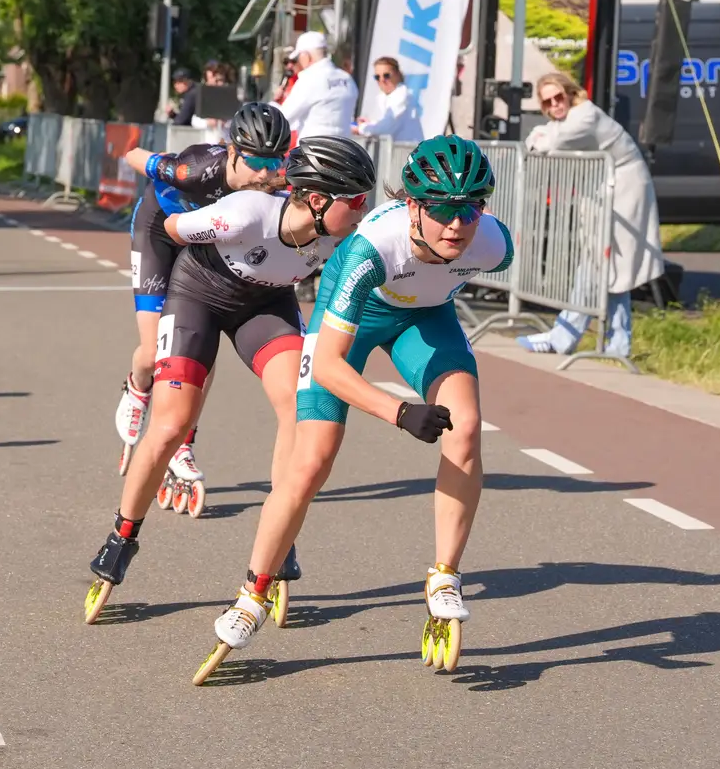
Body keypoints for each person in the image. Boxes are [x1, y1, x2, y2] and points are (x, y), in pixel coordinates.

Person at [192, 135, 513, 685]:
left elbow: (463, 253)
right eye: (442, 209)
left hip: (425, 320)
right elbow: (329, 367)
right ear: (413, 206)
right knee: (311, 462)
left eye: (471, 208)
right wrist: (400, 412)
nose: (457, 225)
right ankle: (252, 595)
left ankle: (444, 576)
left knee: (466, 428)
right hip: (353, 320)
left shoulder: (493, 243)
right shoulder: (371, 249)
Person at [85, 135, 377, 624]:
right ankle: (122, 536)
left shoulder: (341, 234)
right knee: (171, 426)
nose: (363, 210)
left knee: (296, 407)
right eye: (357, 200)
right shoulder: (242, 214)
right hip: (197, 297)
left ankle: (280, 530)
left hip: (265, 307)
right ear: (318, 200)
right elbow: (170, 227)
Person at [113, 103, 292, 493]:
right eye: (255, 162)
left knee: (197, 349)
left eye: (274, 162)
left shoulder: (277, 180)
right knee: (152, 353)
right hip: (159, 230)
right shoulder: (194, 169)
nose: (265, 174)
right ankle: (138, 386)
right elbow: (136, 157)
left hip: (205, 242)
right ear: (232, 151)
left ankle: (183, 444)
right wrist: (133, 152)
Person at [517, 71, 663, 358]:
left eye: (559, 97)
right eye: (548, 102)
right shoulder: (568, 119)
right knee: (608, 266)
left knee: (602, 263)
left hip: (624, 190)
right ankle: (617, 343)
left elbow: (552, 142)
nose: (555, 105)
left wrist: (543, 137)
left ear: (570, 93)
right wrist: (542, 136)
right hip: (605, 189)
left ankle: (565, 337)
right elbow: (536, 137)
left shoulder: (585, 115)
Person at [272, 31, 358, 141]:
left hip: (313, 148)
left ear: (306, 56)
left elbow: (283, 118)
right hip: (344, 148)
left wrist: (274, 104)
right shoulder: (347, 79)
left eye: (298, 57)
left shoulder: (309, 79)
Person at [355, 56, 424, 143]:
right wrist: (370, 124)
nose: (382, 80)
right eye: (377, 77)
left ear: (398, 74)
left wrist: (360, 128)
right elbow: (387, 122)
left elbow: (386, 128)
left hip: (409, 150)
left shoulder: (401, 96)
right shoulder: (385, 97)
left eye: (386, 75)